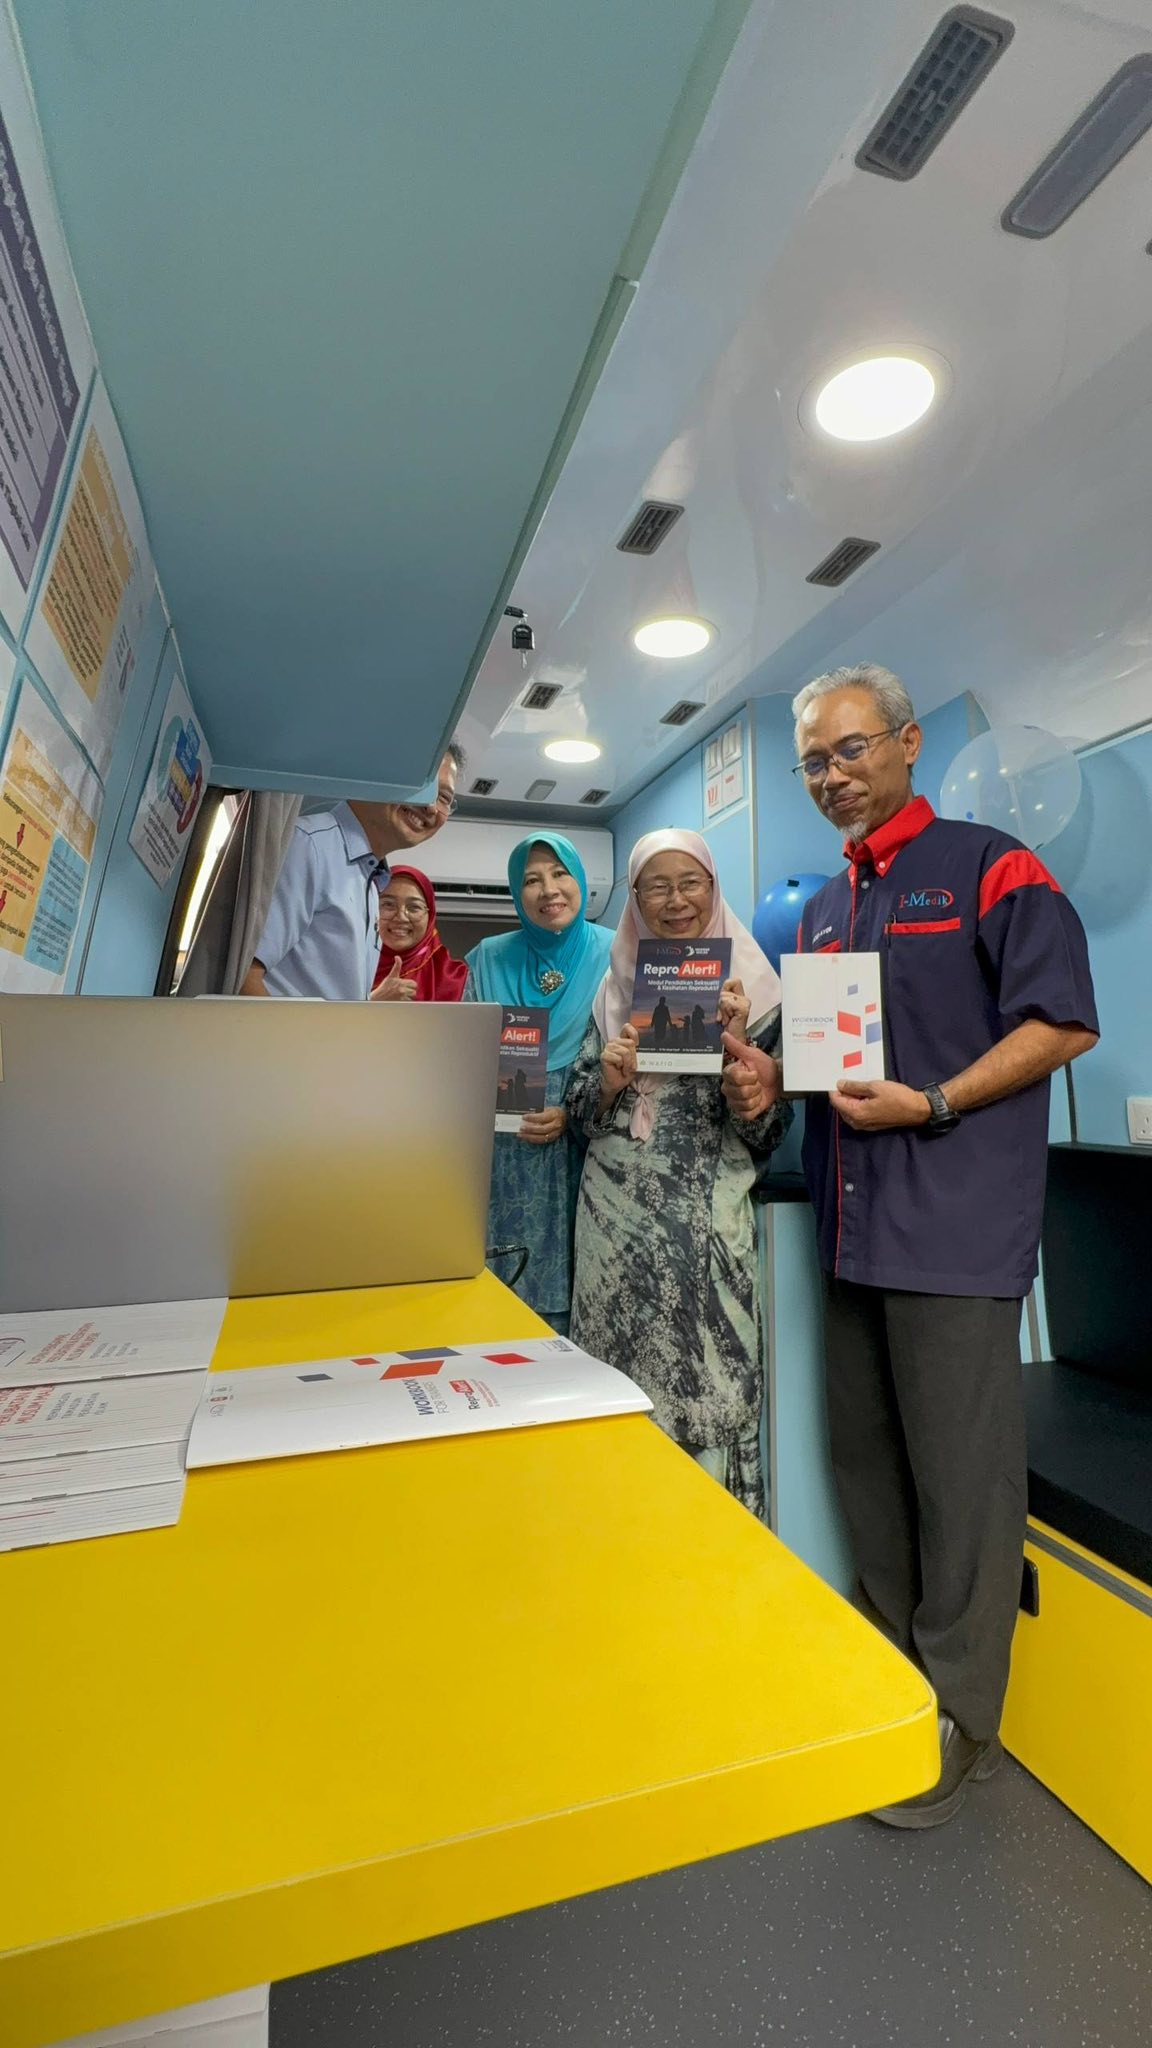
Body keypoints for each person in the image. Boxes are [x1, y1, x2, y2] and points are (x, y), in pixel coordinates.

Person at [721, 662, 1098, 1828]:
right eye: (814, 761)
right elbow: (834, 1067)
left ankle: (962, 1718)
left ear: (906, 741)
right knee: (867, 1465)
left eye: (852, 748)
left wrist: (933, 1101)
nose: (834, 774)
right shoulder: (826, 911)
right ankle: (889, 1675)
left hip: (953, 1229)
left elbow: (1063, 1022)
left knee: (961, 1482)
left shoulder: (992, 866)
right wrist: (770, 1076)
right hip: (853, 1230)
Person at [567, 829, 791, 1517]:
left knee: (712, 1392)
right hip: (613, 1240)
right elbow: (578, 1112)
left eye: (690, 883)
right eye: (656, 887)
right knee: (614, 1401)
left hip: (704, 1237)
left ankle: (711, 1555)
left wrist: (743, 1064)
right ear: (634, 900)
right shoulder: (613, 992)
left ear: (714, 889)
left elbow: (769, 1133)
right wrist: (608, 1083)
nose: (675, 901)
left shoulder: (759, 996)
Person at [464, 835, 613, 1332]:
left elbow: (634, 1068)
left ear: (580, 880)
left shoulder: (617, 952)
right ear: (515, 891)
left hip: (584, 1155)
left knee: (577, 1312)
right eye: (531, 879)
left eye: (560, 873)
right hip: (504, 1160)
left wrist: (572, 1113)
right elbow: (461, 1062)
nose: (548, 889)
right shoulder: (487, 959)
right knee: (496, 1312)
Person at [240, 745, 463, 1000]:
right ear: (381, 774)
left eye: (444, 798)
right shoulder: (310, 846)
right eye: (426, 785)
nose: (431, 807)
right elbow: (243, 976)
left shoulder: (371, 881)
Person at [371, 867, 467, 1003]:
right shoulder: (350, 970)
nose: (401, 917)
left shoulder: (459, 980)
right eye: (388, 905)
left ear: (430, 915)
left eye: (414, 907)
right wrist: (374, 1000)